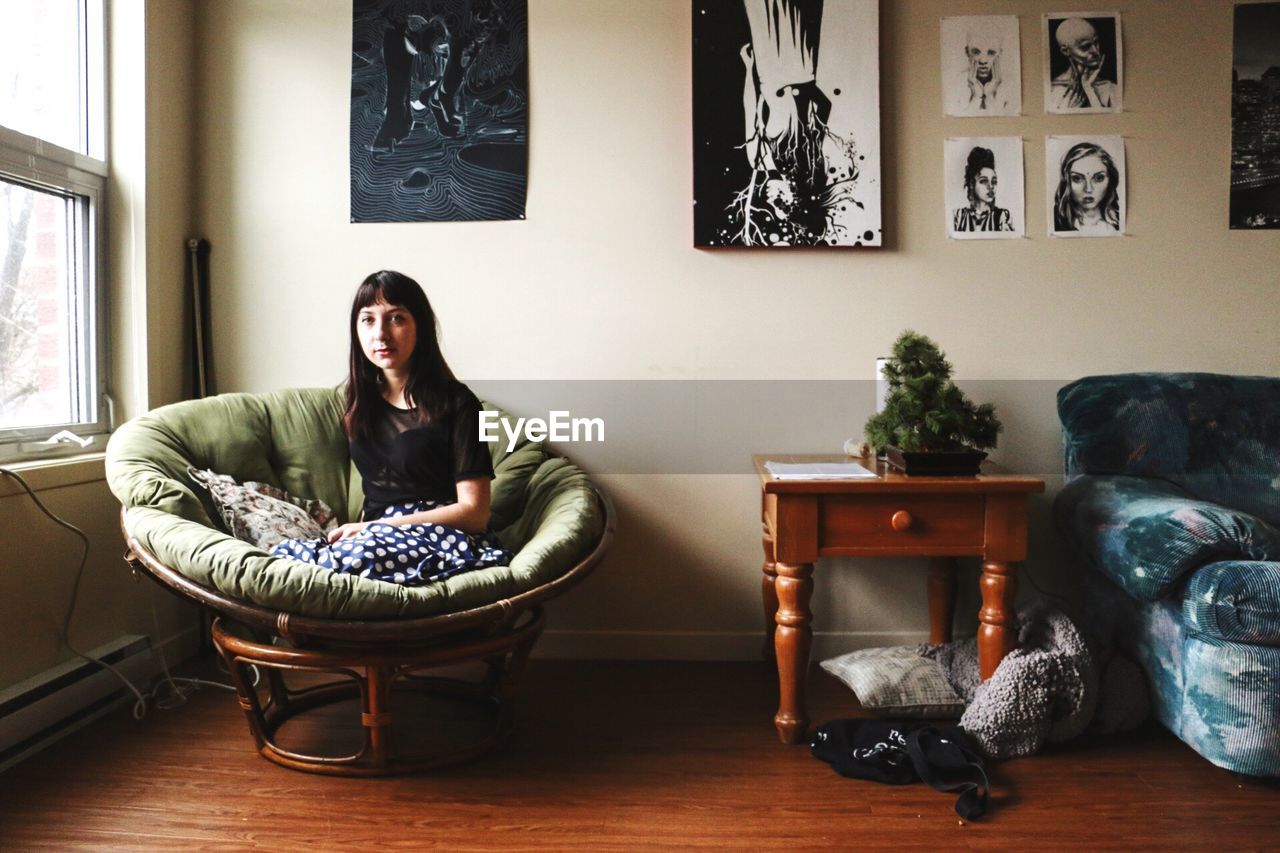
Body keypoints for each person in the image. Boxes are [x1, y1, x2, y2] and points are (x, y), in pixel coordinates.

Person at [271, 270, 510, 585]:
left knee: (344, 563)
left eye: (396, 319)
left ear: (420, 327)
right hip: (377, 538)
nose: (380, 334)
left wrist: (377, 529)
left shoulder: (459, 404)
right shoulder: (359, 402)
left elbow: (475, 514)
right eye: (368, 320)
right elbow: (377, 497)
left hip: (441, 536)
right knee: (280, 556)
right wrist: (365, 529)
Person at [1048, 17, 1118, 111]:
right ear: (1065, 51)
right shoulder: (1053, 90)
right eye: (1086, 46)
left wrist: (1088, 89)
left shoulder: (1110, 88)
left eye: (1096, 43)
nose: (1095, 51)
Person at [1052, 142, 1121, 234]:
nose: (1088, 189)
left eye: (1099, 178)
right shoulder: (1056, 221)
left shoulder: (1120, 219)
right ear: (1066, 181)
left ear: (1110, 179)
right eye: (1077, 178)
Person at [947, 30, 1011, 115]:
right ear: (967, 52)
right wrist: (977, 96)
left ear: (1000, 53)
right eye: (976, 52)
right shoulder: (956, 83)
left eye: (991, 53)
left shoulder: (1011, 84)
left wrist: (989, 94)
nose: (983, 60)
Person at [953, 146, 1012, 233]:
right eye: (984, 181)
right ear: (972, 184)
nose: (991, 186)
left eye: (994, 181)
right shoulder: (958, 216)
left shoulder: (1002, 216)